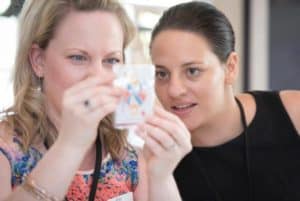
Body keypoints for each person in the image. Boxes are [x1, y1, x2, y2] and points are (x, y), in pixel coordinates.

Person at [0, 0, 191, 201]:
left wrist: (161, 176)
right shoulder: (6, 151)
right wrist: (70, 145)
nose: (98, 76)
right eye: (78, 57)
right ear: (38, 60)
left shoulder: (128, 158)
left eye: (111, 60)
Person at [148, 1, 300, 201]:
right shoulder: (155, 161)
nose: (174, 90)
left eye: (192, 71)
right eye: (162, 73)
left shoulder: (293, 113)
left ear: (230, 68)